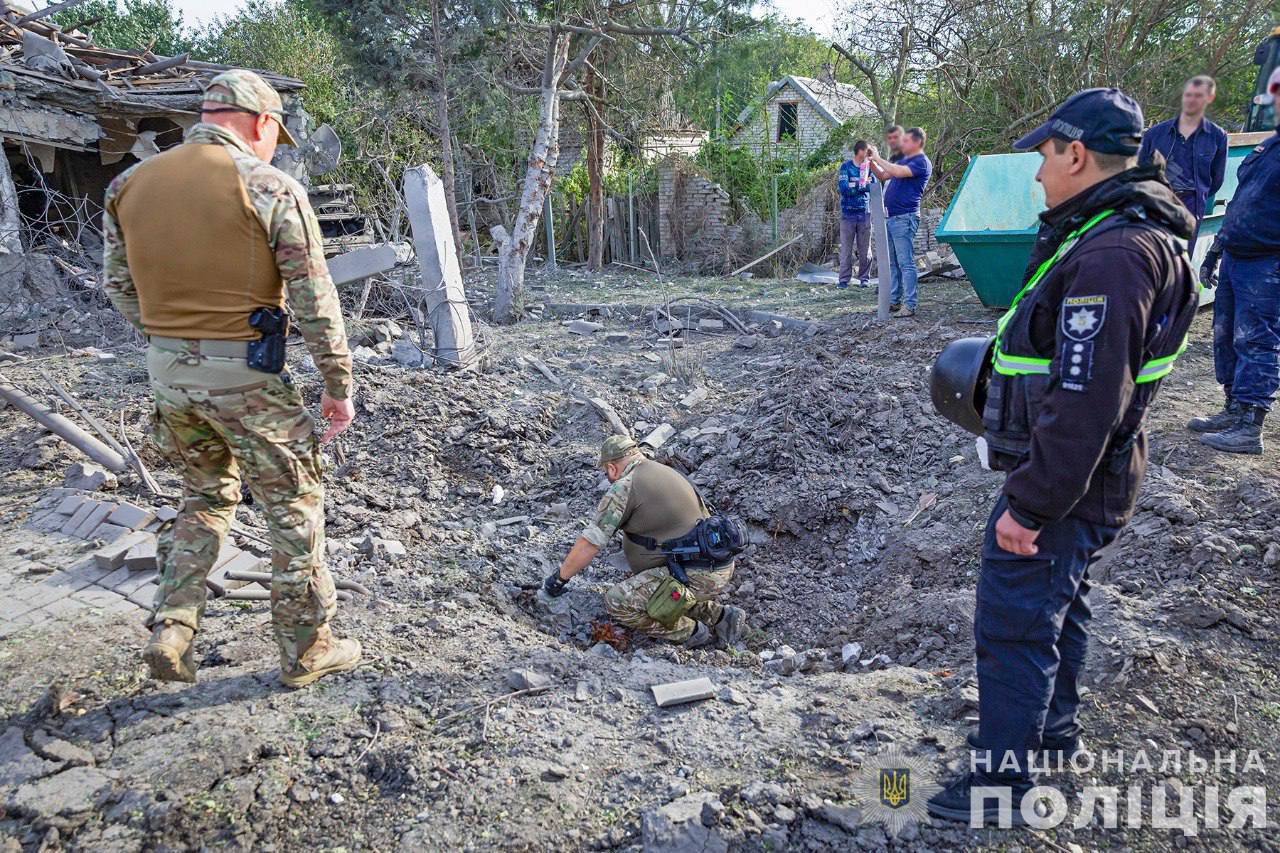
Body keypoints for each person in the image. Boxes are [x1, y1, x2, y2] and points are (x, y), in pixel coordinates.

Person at [926, 88, 1199, 825]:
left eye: (1045, 157)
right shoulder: (1120, 235)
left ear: (1076, 153)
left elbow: (1086, 399)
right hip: (1083, 476)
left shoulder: (1114, 255)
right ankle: (1049, 742)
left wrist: (1029, 505)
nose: (1039, 175)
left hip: (1067, 482)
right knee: (1058, 607)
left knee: (1016, 620)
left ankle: (1004, 785)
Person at [102, 70, 361, 688]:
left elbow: (117, 286)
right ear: (262, 122)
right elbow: (313, 297)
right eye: (277, 135)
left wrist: (175, 343)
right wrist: (337, 385)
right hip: (247, 381)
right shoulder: (268, 185)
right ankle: (306, 651)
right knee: (293, 509)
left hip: (168, 378)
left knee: (206, 495)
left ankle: (174, 624)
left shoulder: (128, 184)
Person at [542, 436, 747, 647]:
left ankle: (691, 632)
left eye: (607, 472)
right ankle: (723, 617)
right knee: (656, 590)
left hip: (695, 574)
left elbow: (590, 543)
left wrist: (558, 581)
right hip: (714, 567)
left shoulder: (624, 487)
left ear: (612, 468)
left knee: (618, 601)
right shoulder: (666, 471)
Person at [1192, 67, 1280, 454]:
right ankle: (1232, 407)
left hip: (1268, 261)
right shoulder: (1270, 145)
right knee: (1227, 335)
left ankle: (1250, 425)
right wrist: (1216, 249)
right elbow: (1242, 200)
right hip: (1237, 253)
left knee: (1257, 339)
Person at [1137, 75, 1228, 239]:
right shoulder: (1155, 134)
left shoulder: (1217, 136)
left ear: (1209, 98)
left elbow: (1216, 179)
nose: (1192, 100)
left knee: (1182, 258)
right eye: (1188, 95)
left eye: (1198, 96)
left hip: (1191, 205)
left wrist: (1196, 196)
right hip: (1156, 202)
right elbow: (1139, 169)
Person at [868, 127, 932, 317]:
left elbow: (896, 171)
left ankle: (909, 305)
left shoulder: (921, 162)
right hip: (892, 217)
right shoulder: (905, 161)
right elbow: (883, 175)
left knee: (906, 262)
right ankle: (894, 301)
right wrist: (871, 161)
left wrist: (878, 157)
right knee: (892, 262)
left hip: (905, 217)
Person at [837, 140, 874, 289]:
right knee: (846, 250)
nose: (870, 154)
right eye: (868, 151)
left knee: (865, 250)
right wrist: (862, 184)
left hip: (864, 213)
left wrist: (857, 184)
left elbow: (873, 186)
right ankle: (844, 280)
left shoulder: (869, 169)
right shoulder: (846, 167)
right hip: (848, 215)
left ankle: (864, 278)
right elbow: (844, 189)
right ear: (861, 151)